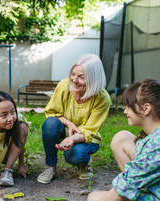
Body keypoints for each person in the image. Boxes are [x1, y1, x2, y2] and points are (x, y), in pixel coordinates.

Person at [37, 54, 110, 183]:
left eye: (81, 77)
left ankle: (84, 163)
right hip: (64, 130)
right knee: (50, 124)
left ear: (94, 79)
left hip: (86, 138)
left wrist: (73, 139)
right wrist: (68, 123)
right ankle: (50, 167)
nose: (74, 80)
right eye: (73, 74)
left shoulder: (102, 98)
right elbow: (51, 112)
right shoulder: (64, 86)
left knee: (77, 155)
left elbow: (89, 130)